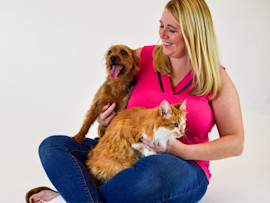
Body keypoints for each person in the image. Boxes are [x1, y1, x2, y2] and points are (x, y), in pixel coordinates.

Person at [27, 0, 244, 202]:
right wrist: (106, 120)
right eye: (161, 26)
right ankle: (85, 195)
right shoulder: (142, 58)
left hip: (180, 166)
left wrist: (182, 151)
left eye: (172, 30)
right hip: (123, 150)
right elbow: (109, 91)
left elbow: (236, 143)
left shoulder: (217, 79)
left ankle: (73, 193)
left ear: (194, 34)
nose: (162, 35)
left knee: (151, 173)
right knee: (52, 147)